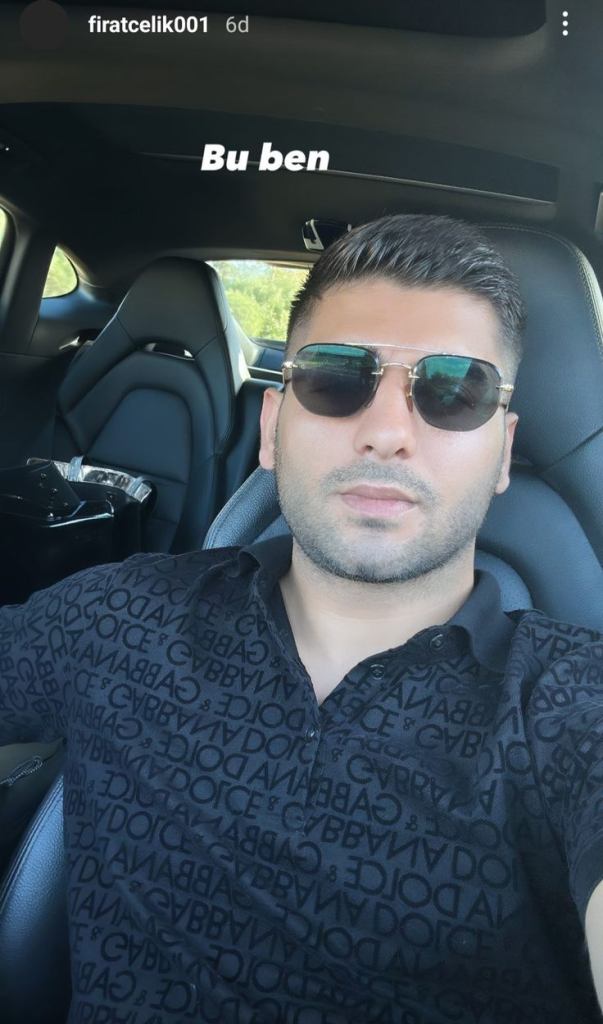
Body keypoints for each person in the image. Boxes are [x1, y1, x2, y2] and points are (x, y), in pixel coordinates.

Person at [0, 213, 602, 1024]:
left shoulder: (571, 705)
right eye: (335, 378)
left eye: (454, 390)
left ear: (502, 450)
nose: (385, 433)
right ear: (271, 428)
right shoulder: (116, 616)